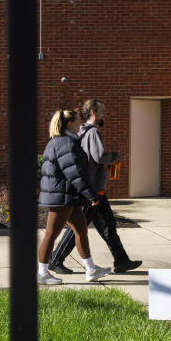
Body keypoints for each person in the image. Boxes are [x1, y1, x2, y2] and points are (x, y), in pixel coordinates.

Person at [48, 99, 142, 275]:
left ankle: (121, 261)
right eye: (102, 111)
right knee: (77, 228)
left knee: (108, 225)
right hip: (90, 191)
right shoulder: (92, 133)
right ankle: (55, 259)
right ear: (93, 112)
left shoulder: (82, 132)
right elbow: (99, 157)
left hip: (95, 189)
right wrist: (115, 157)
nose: (104, 114)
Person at [37, 108, 112, 285]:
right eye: (78, 121)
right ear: (69, 124)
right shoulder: (66, 144)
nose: (81, 124)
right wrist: (91, 195)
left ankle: (91, 270)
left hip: (67, 196)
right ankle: (41, 273)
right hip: (61, 196)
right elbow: (75, 174)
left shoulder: (58, 141)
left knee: (81, 230)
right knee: (51, 233)